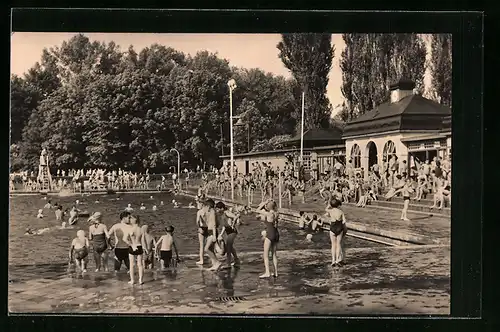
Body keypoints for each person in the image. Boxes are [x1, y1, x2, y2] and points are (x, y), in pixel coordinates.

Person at [257, 199, 279, 278]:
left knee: (265, 254)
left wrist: (264, 203)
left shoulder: (268, 214)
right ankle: (276, 272)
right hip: (276, 233)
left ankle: (267, 272)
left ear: (268, 207)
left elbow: (257, 210)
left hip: (270, 233)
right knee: (274, 254)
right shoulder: (276, 213)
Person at [216, 202, 241, 269]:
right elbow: (224, 226)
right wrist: (221, 234)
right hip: (228, 232)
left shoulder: (227, 212)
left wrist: (233, 224)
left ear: (222, 208)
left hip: (232, 232)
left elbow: (235, 216)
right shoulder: (223, 214)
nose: (217, 211)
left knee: (228, 247)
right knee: (230, 247)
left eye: (218, 209)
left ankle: (228, 264)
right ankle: (236, 260)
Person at [124, 215, 146, 285]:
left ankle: (132, 280)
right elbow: (143, 240)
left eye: (130, 218)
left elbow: (125, 239)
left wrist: (131, 244)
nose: (129, 220)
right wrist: (144, 248)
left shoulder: (130, 229)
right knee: (140, 264)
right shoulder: (141, 229)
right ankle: (140, 280)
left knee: (132, 265)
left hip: (132, 246)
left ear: (133, 220)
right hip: (139, 246)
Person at [325, 198, 346, 267]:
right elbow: (344, 221)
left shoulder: (330, 211)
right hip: (339, 227)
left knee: (333, 245)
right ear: (338, 205)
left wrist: (329, 203)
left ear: (331, 205)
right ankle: (337, 260)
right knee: (338, 244)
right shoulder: (341, 212)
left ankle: (333, 260)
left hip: (333, 227)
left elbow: (326, 209)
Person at [202, 199, 221, 271]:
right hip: (211, 231)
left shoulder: (213, 212)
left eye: (206, 206)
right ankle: (214, 264)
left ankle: (217, 262)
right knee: (210, 249)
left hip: (212, 232)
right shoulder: (213, 212)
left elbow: (214, 224)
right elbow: (218, 223)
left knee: (206, 249)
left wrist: (214, 236)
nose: (205, 208)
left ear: (208, 206)